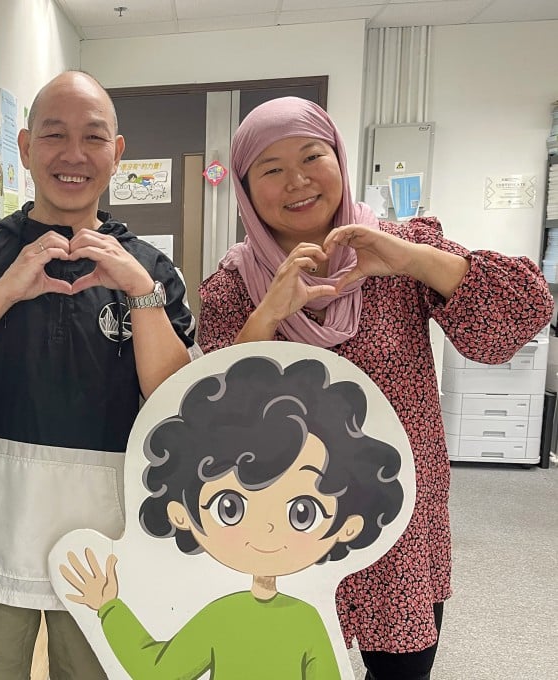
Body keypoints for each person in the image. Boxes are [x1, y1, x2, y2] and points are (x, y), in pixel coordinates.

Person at [197, 96, 553, 680]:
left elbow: (519, 315)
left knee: (402, 671)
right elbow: (216, 420)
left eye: (313, 156)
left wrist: (413, 259)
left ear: (339, 157)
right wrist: (268, 314)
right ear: (243, 186)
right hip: (284, 529)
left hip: (398, 526)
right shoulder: (232, 287)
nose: (298, 181)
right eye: (271, 168)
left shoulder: (398, 247)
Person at [0, 70, 197, 680]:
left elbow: (176, 404)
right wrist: (3, 291)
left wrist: (141, 293)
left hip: (107, 526)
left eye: (93, 137)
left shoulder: (153, 268)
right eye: (55, 136)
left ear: (118, 153)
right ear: (26, 148)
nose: (74, 155)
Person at [62, 355, 407, 680]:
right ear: (181, 514)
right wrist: (109, 608)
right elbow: (157, 671)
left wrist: (109, 609)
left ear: (349, 525)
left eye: (302, 512)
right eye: (231, 508)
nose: (267, 528)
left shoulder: (302, 621)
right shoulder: (227, 616)